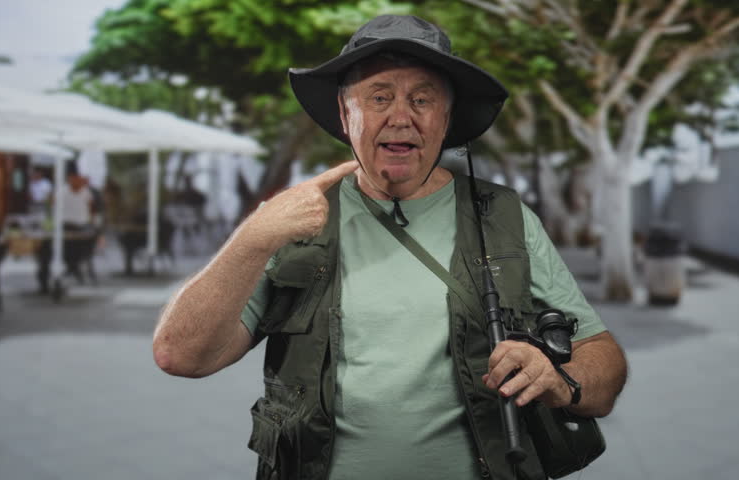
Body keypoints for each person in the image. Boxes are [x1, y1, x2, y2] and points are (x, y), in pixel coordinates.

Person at [153, 15, 627, 480]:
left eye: (423, 99)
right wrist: (253, 236)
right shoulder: (295, 220)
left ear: (447, 118)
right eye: (379, 97)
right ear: (345, 115)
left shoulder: (503, 217)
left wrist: (560, 382)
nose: (401, 116)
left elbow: (602, 362)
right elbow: (181, 355)